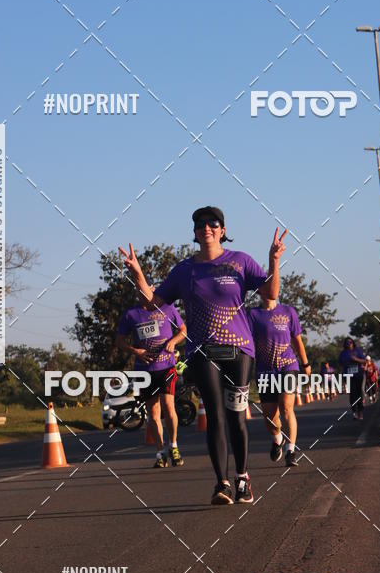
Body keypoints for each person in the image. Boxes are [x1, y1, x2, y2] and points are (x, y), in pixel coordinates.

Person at [120, 207, 286, 505]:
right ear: (195, 233)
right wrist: (138, 275)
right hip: (202, 350)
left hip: (240, 351)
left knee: (237, 417)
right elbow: (153, 304)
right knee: (215, 415)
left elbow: (270, 293)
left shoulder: (240, 261)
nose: (206, 228)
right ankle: (221, 484)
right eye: (200, 224)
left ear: (222, 230)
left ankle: (243, 478)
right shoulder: (185, 270)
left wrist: (274, 260)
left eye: (213, 223)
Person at [116, 285, 187, 468]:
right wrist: (135, 351)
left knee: (168, 406)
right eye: (139, 290)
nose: (143, 293)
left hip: (167, 366)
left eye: (146, 289)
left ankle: (174, 445)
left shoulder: (167, 308)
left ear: (152, 289)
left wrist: (173, 341)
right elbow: (120, 341)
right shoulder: (131, 314)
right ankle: (160, 452)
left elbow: (183, 330)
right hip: (144, 370)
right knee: (153, 413)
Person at [248, 298, 310, 467]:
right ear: (260, 291)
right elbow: (247, 344)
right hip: (265, 371)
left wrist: (305, 364)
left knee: (286, 407)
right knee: (270, 418)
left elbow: (297, 340)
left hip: (288, 366)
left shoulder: (288, 312)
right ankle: (278, 439)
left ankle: (291, 451)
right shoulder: (253, 315)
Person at [338, 337, 367, 419]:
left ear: (353, 343)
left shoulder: (358, 351)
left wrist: (355, 359)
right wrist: (345, 367)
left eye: (350, 342)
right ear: (345, 344)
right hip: (348, 376)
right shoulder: (343, 353)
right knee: (352, 394)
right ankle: (354, 411)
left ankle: (360, 412)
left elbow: (364, 361)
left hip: (358, 375)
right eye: (347, 342)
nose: (349, 344)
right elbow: (339, 363)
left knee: (359, 393)